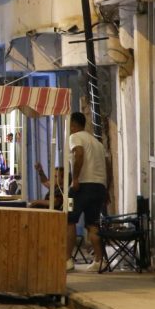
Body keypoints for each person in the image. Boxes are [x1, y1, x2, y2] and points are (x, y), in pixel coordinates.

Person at [67, 111, 108, 272]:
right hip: (99, 186)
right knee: (93, 224)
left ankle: (67, 260)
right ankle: (99, 260)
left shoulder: (75, 137)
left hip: (82, 185)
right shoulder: (97, 143)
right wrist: (107, 188)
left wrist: (75, 178)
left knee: (69, 220)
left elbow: (79, 153)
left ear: (73, 125)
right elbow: (108, 165)